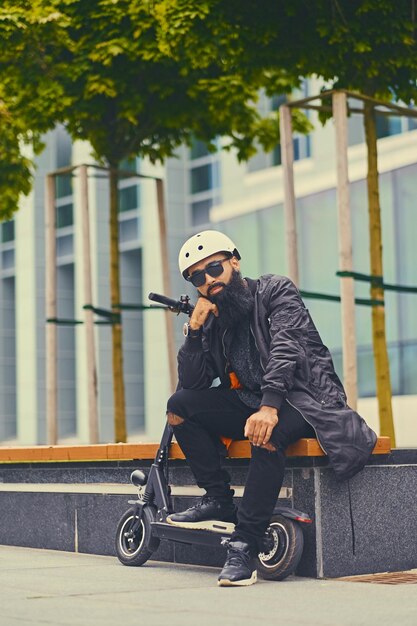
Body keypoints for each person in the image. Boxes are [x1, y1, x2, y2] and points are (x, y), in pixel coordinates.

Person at [166, 230, 377, 587]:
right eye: (198, 277)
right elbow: (193, 384)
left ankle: (245, 545)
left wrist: (269, 406)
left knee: (267, 432)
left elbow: (287, 348)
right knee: (179, 407)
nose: (209, 280)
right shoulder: (216, 319)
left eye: (214, 268)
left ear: (234, 261)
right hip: (253, 402)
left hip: (305, 400)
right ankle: (218, 498)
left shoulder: (275, 290)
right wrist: (196, 331)